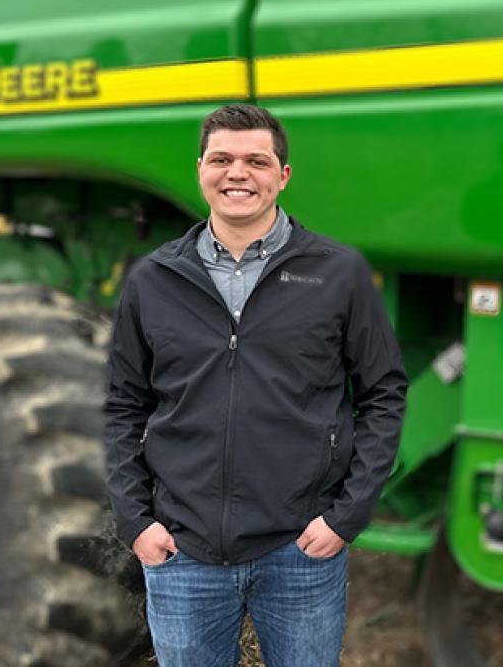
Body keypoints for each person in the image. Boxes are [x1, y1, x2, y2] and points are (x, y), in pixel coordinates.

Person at [103, 104, 408, 667]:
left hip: (300, 549)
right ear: (199, 169)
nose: (237, 173)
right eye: (221, 159)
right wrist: (136, 521)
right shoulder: (153, 279)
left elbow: (383, 394)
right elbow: (123, 405)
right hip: (182, 551)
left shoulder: (336, 273)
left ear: (282, 176)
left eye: (255, 161)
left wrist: (347, 517)